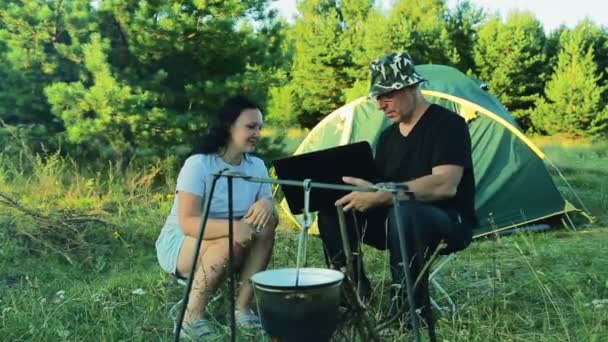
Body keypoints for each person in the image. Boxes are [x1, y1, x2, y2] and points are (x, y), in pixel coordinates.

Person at [316, 52, 477, 326]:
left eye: (386, 95)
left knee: (405, 212)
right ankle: (352, 293)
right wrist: (370, 190)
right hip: (395, 221)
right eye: (377, 97)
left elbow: (445, 184)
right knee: (334, 209)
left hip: (448, 221)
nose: (380, 105)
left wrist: (385, 193)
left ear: (411, 87)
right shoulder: (388, 136)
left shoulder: (448, 125)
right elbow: (383, 186)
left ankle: (409, 311)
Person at [155, 95, 278, 339]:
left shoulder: (257, 167)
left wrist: (267, 203)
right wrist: (235, 228)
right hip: (183, 244)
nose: (257, 133)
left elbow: (267, 218)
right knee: (227, 239)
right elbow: (188, 222)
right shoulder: (199, 164)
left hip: (235, 240)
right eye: (250, 126)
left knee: (268, 224)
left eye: (260, 128)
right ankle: (190, 319)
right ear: (228, 126)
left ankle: (242, 308)